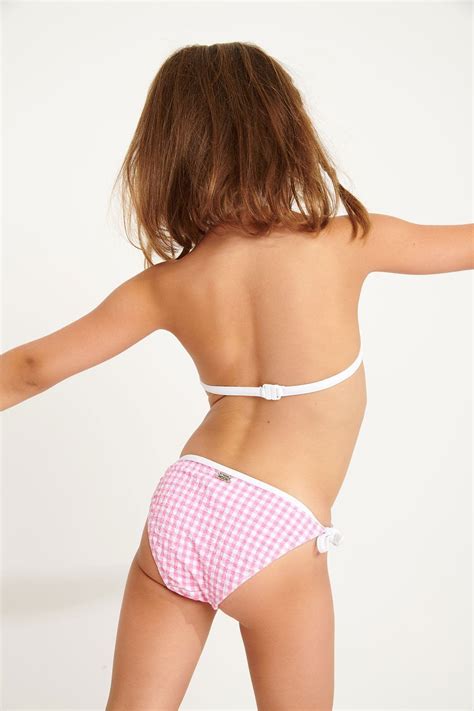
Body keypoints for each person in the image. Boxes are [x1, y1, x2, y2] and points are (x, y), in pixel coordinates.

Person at [1, 42, 472, 711]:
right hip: (277, 524)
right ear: (286, 131)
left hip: (184, 503)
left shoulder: (168, 285)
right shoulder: (350, 240)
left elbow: (28, 369)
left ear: (166, 153)